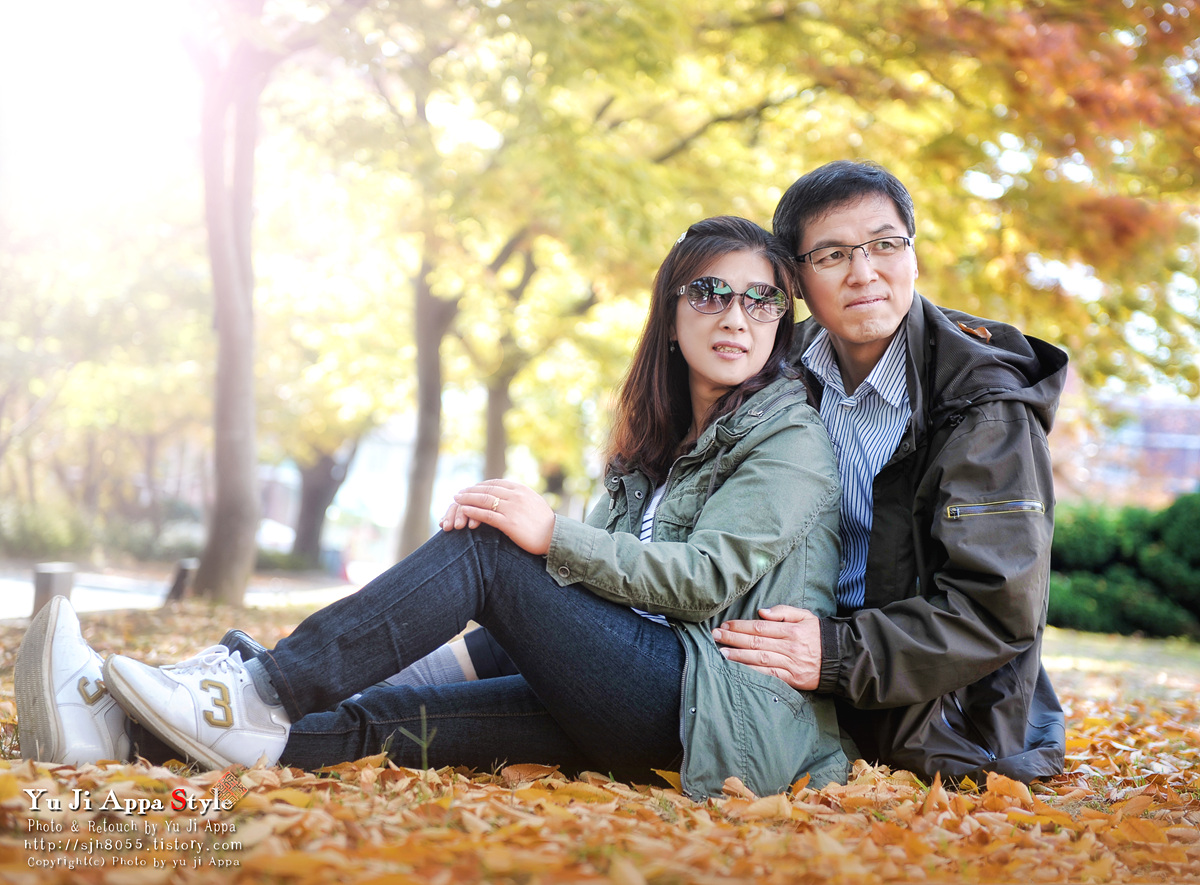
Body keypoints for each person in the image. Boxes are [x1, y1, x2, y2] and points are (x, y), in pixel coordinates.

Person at [16, 216, 849, 799]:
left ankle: (259, 683)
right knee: (383, 719)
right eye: (710, 292)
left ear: (782, 320)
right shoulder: (661, 440)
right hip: (633, 697)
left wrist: (552, 534)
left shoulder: (789, 439)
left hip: (716, 715)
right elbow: (587, 605)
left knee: (492, 548)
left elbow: (701, 581)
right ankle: (121, 729)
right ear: (670, 315)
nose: (736, 316)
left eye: (761, 298)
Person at [713, 160, 1069, 783]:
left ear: (913, 255)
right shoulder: (773, 372)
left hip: (933, 717)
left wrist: (833, 653)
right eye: (831, 255)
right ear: (796, 280)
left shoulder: (983, 405)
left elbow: (995, 611)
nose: (863, 273)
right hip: (771, 661)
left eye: (884, 245)